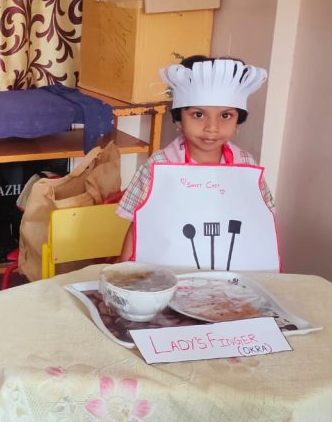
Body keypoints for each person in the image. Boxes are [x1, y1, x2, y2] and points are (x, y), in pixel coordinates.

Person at [117, 55, 277, 269]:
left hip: (227, 273)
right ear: (178, 118)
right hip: (165, 271)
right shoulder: (159, 165)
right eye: (198, 115)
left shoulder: (246, 164)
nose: (212, 128)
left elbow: (262, 219)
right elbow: (138, 225)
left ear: (238, 120)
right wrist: (123, 273)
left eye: (226, 116)